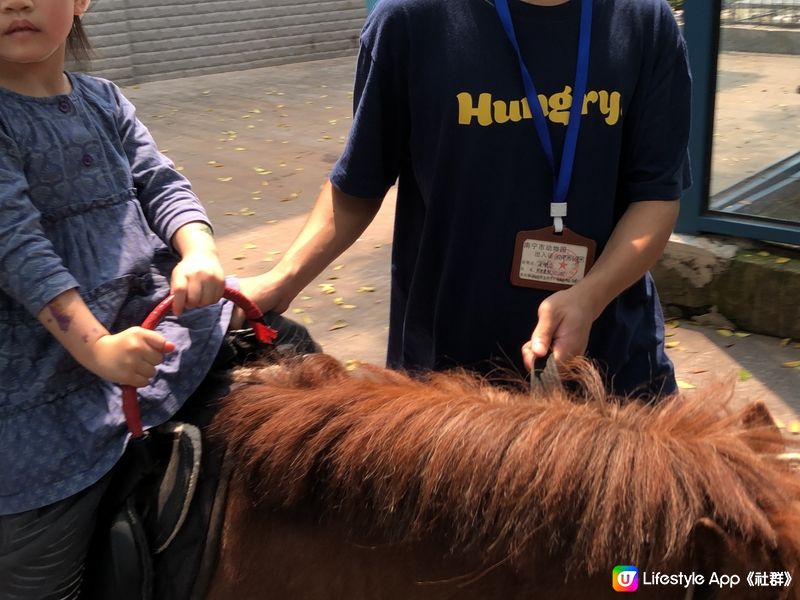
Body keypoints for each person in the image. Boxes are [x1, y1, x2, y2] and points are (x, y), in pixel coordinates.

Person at [241, 0, 691, 398]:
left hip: (614, 366)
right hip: (450, 383)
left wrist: (591, 297)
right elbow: (358, 186)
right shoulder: (409, 19)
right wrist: (282, 280)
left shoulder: (644, 21)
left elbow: (654, 198)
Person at [0, 0, 237, 596]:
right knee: (34, 561)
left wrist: (200, 251)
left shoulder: (104, 99)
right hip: (42, 373)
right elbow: (18, 250)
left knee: (292, 352)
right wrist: (97, 349)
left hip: (150, 328)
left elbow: (162, 182)